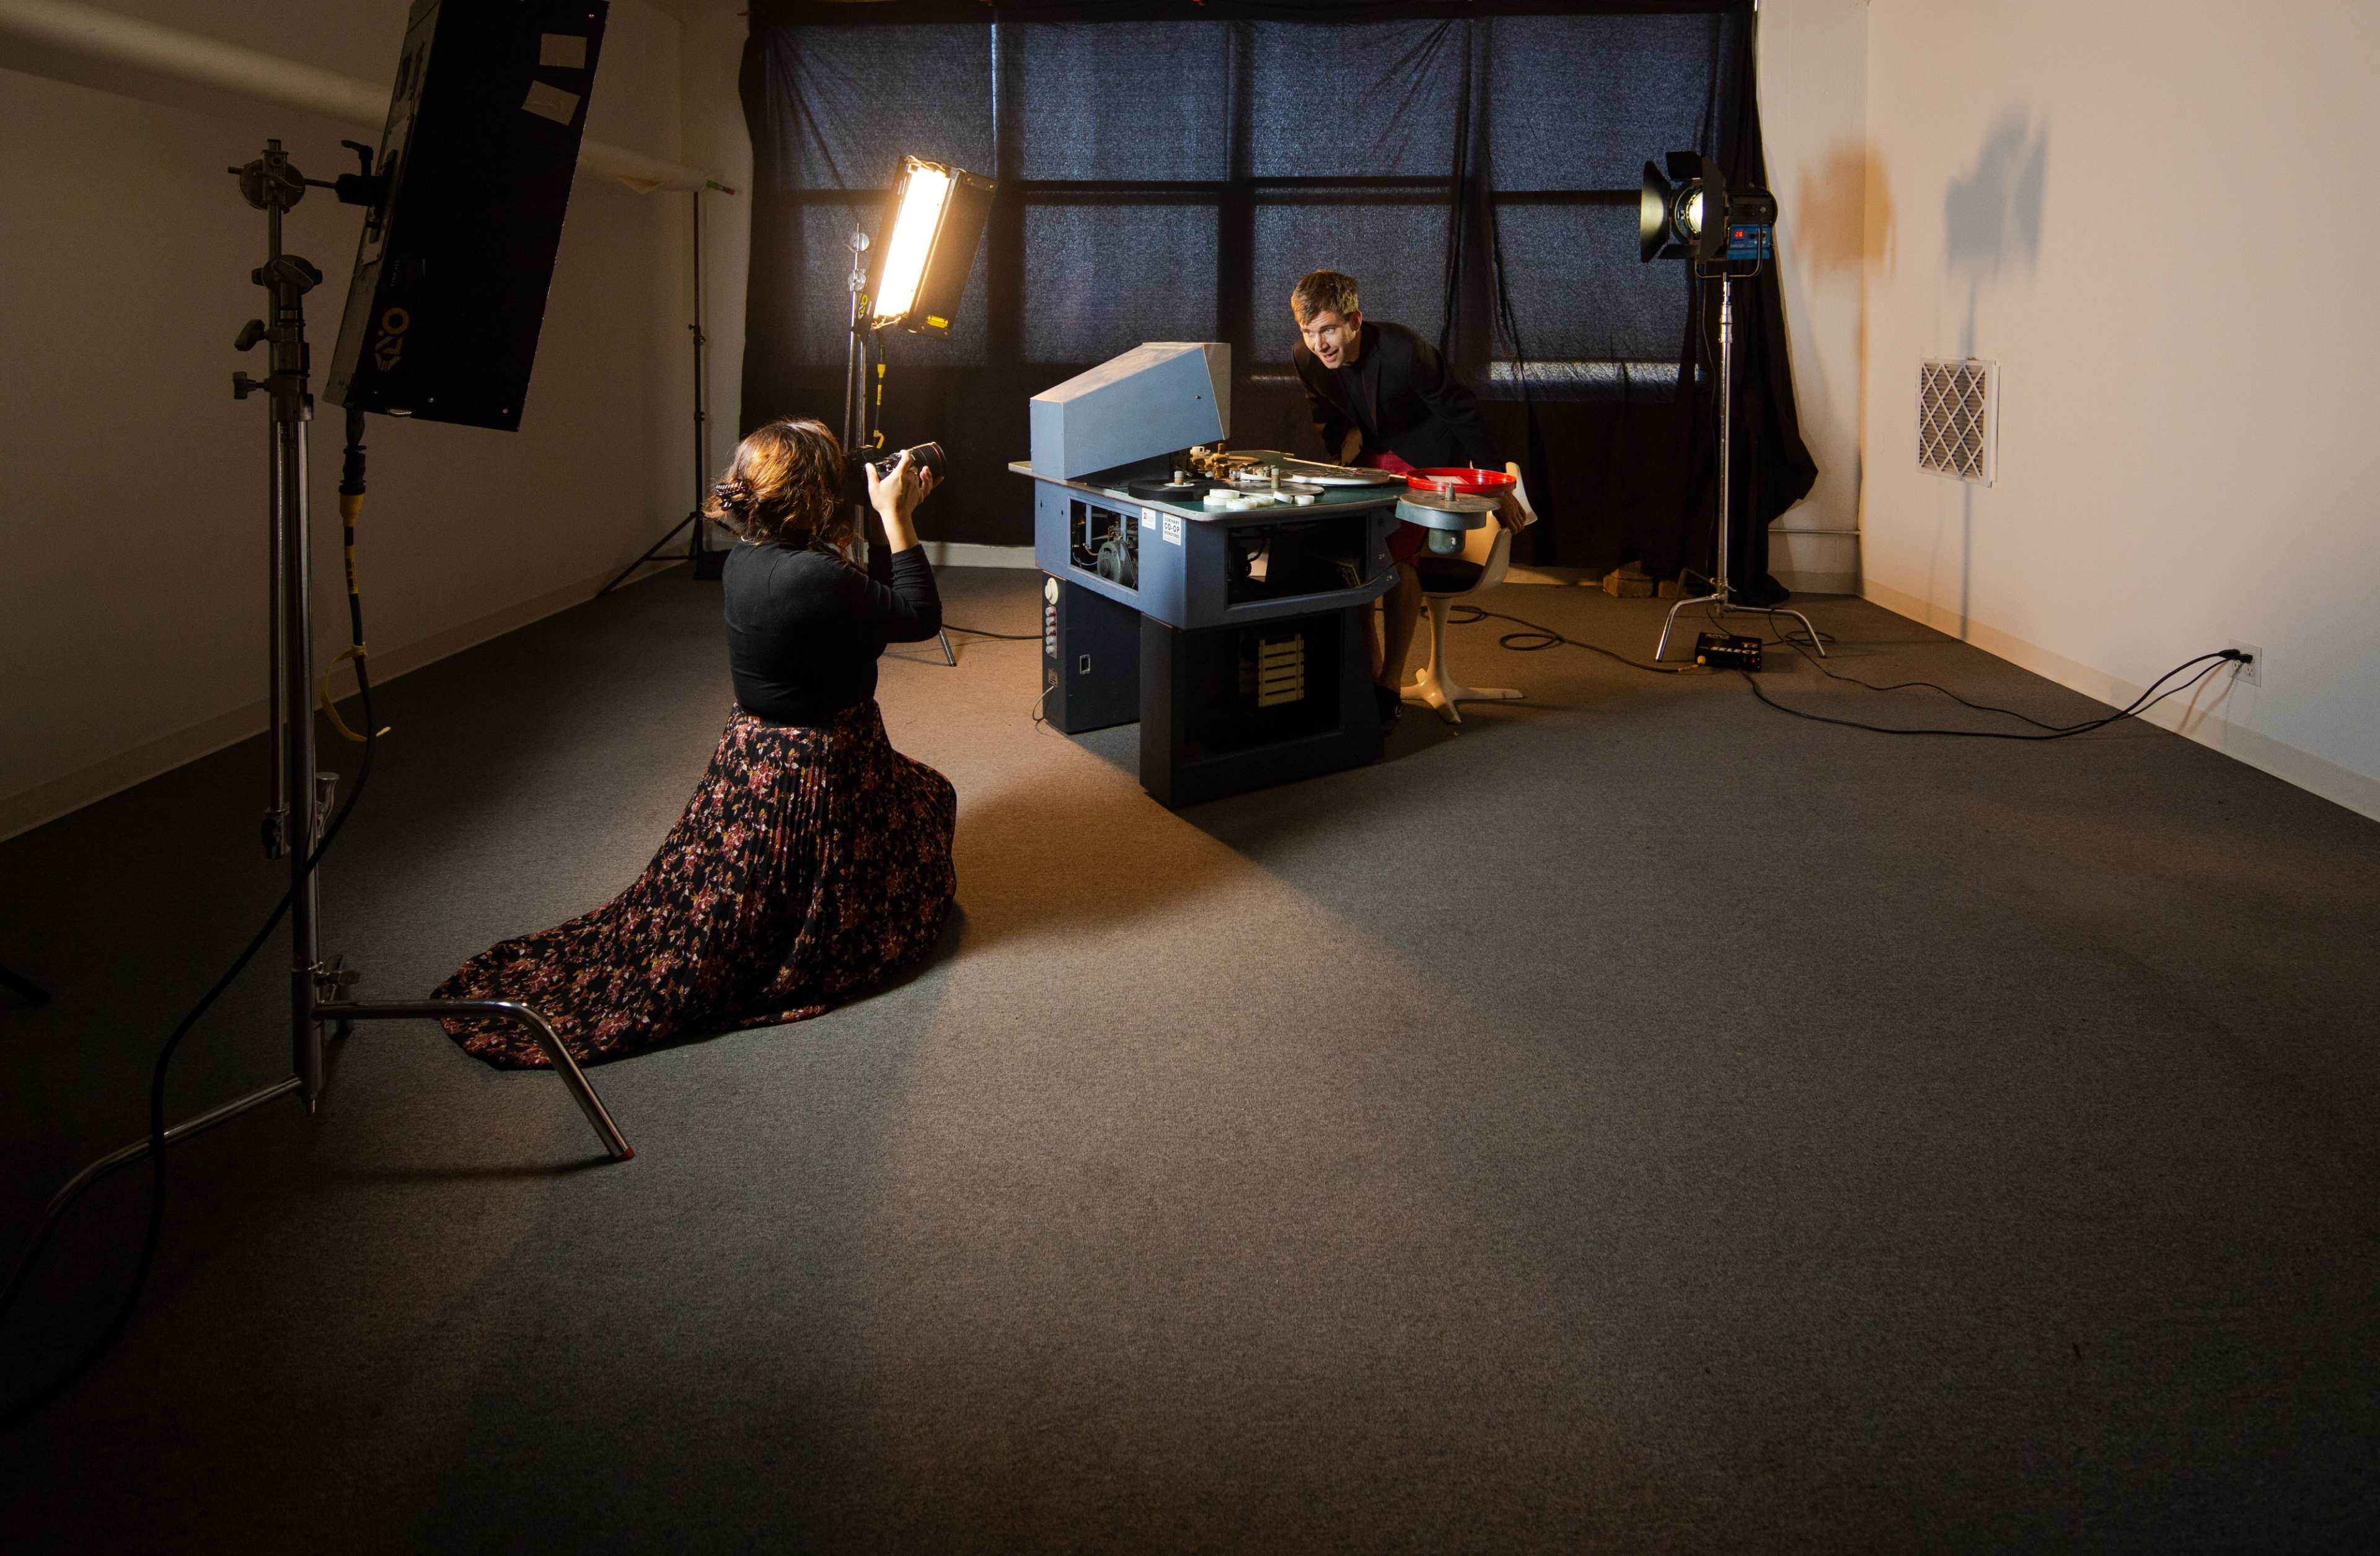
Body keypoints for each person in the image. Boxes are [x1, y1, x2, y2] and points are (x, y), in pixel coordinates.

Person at [434, 419, 958, 1069]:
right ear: (817, 495)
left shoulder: (754, 559)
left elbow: (874, 617)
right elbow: (916, 617)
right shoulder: (815, 577)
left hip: (754, 762)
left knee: (926, 797)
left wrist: (887, 520)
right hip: (815, 771)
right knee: (925, 817)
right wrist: (897, 521)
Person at [1288, 270, 1518, 723]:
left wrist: (1499, 486)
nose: (1319, 344)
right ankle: (1368, 678)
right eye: (1308, 332)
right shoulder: (1306, 357)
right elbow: (1325, 418)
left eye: (1329, 329)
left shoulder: (1404, 349)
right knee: (1350, 559)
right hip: (1369, 459)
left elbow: (1461, 409)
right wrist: (1342, 472)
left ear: (1355, 319)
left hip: (1424, 459)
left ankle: (1389, 684)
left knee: (1394, 557)